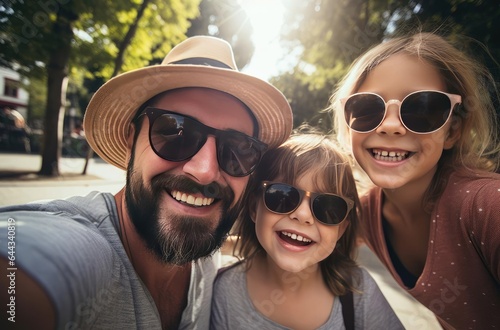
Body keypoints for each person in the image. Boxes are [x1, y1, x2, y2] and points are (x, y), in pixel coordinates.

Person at [0, 36, 293, 329]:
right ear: (131, 140)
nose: (205, 171)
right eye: (176, 132)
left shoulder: (204, 245)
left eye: (238, 149)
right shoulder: (81, 246)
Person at [330, 32, 500, 329]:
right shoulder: (365, 212)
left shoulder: (487, 205)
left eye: (422, 109)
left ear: (452, 131)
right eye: (368, 108)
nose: (392, 126)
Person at [211, 132, 404, 329]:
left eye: (328, 207)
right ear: (254, 208)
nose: (302, 215)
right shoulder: (224, 290)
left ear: (341, 230)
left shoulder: (360, 292)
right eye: (283, 196)